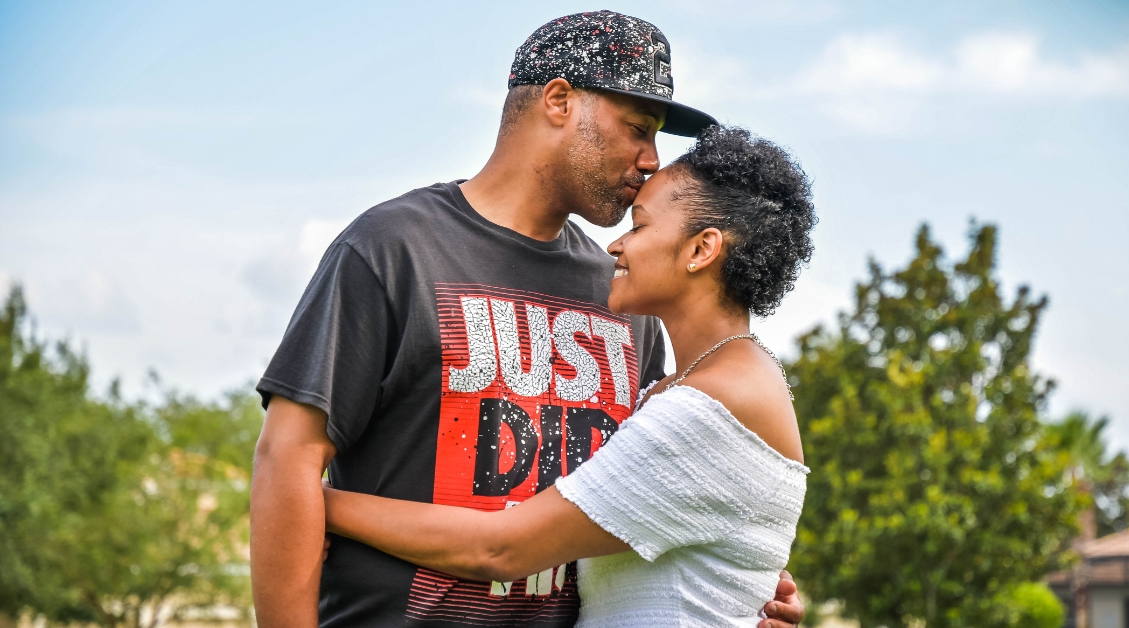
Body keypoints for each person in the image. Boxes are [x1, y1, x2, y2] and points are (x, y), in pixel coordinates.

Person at [249, 10, 807, 628]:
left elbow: (653, 494)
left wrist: (737, 586)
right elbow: (287, 460)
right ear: (560, 101)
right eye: (637, 128)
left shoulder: (626, 296)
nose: (651, 159)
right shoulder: (394, 247)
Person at [322, 125, 817, 627]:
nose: (617, 246)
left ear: (701, 250)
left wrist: (318, 502)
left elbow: (501, 550)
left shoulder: (714, 402)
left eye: (640, 227)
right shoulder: (679, 389)